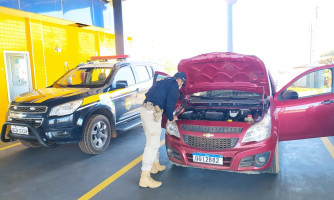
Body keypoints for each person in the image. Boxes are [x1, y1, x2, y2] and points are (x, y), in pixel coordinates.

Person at [139, 71, 187, 188]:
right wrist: (171, 118)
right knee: (153, 144)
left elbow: (150, 95)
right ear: (180, 81)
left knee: (151, 140)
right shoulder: (174, 85)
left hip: (145, 109)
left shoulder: (163, 81)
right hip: (152, 112)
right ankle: (144, 177)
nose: (180, 86)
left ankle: (154, 166)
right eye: (182, 83)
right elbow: (170, 104)